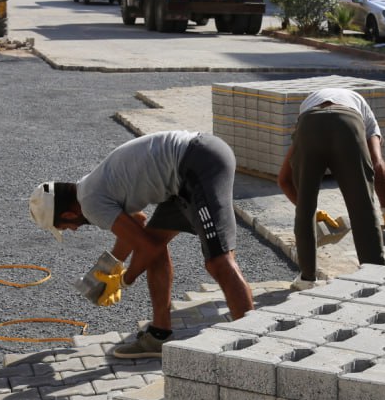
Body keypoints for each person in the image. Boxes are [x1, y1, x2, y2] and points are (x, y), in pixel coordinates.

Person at [30, 130, 254, 358]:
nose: (72, 230)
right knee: (156, 243)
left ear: (68, 215)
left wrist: (124, 281)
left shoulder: (90, 204)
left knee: (219, 261)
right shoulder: (88, 188)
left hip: (198, 163)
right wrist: (109, 268)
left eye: (64, 226)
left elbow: (145, 246)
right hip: (183, 172)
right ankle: (159, 335)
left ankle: (253, 351)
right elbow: (138, 225)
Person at [277, 88, 385, 290]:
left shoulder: (305, 112)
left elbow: (283, 180)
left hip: (311, 124)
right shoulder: (368, 119)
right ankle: (374, 277)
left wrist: (308, 208)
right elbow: (378, 164)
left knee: (305, 209)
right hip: (348, 124)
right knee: (362, 206)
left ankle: (307, 279)